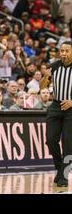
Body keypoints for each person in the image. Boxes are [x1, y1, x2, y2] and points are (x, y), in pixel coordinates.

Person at [40, 41, 72, 187]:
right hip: (55, 105)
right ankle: (60, 169)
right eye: (62, 51)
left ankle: (64, 176)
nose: (63, 53)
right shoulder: (55, 65)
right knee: (50, 140)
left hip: (71, 108)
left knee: (68, 144)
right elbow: (42, 87)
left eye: (67, 51)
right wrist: (46, 77)